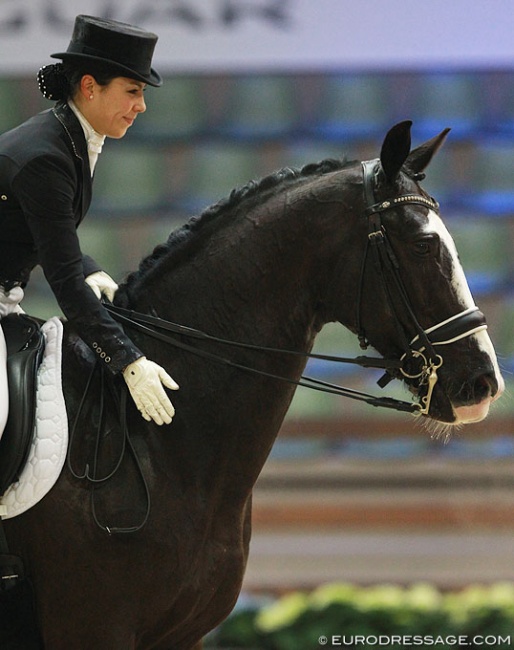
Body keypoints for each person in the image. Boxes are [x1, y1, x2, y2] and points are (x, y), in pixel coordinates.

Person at [0, 14, 179, 431]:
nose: (142, 105)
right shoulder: (46, 156)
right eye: (133, 91)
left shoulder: (67, 137)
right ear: (89, 87)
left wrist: (89, 267)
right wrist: (129, 362)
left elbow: (42, 232)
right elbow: (64, 283)